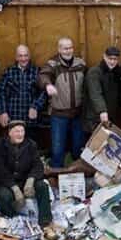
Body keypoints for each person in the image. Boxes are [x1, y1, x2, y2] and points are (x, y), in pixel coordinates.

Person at [0, 121, 56, 240]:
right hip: (5, 182)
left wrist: (30, 180)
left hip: (25, 179)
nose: (20, 134)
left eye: (22, 131)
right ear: (9, 133)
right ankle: (15, 220)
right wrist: (15, 189)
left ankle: (45, 222)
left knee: (42, 186)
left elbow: (38, 165)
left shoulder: (31, 145)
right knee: (4, 197)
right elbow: (0, 171)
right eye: (16, 131)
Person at [38, 37, 87, 169]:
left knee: (78, 147)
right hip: (59, 114)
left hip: (78, 113)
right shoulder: (53, 64)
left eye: (70, 48)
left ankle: (78, 172)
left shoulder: (80, 64)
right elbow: (43, 75)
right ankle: (56, 173)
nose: (68, 51)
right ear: (59, 49)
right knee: (57, 149)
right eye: (65, 48)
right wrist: (48, 85)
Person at [0, 45, 47, 140]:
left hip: (31, 120)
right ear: (16, 57)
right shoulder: (9, 72)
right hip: (13, 118)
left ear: (29, 56)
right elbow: (0, 92)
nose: (23, 59)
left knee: (32, 145)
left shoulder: (37, 71)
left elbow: (44, 92)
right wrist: (2, 112)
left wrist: (36, 106)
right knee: (12, 146)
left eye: (26, 55)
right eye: (20, 56)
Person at [82, 46, 121, 135]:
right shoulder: (94, 72)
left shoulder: (115, 72)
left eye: (115, 59)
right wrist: (102, 110)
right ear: (104, 56)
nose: (112, 62)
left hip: (109, 117)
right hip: (95, 118)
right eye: (110, 58)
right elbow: (95, 93)